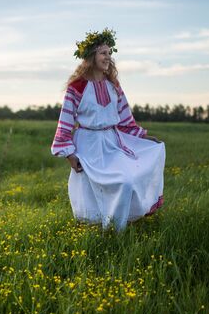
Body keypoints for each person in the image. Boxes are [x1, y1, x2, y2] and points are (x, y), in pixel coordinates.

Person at [51, 28, 165, 231]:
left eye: (110, 53)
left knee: (128, 181)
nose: (108, 57)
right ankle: (97, 230)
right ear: (91, 56)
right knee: (91, 189)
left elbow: (125, 119)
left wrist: (145, 137)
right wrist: (69, 154)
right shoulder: (76, 87)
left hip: (112, 142)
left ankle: (118, 227)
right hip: (88, 145)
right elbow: (65, 122)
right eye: (103, 53)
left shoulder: (113, 85)